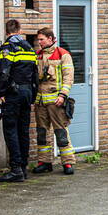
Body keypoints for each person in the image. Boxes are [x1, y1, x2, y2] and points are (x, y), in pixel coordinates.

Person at [0, 19, 38, 183]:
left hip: (13, 93)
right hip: (27, 92)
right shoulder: (29, 48)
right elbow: (35, 73)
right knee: (23, 130)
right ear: (19, 31)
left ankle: (16, 169)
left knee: (11, 130)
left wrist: (0, 91)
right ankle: (23, 168)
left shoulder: (7, 47)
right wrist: (33, 93)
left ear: (7, 32)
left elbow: (5, 72)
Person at [34, 27, 76, 175]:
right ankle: (44, 162)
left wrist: (63, 95)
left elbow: (68, 77)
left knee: (61, 132)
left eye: (41, 39)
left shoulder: (63, 55)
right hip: (40, 102)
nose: (39, 42)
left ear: (50, 39)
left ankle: (68, 163)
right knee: (42, 133)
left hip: (56, 102)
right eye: (38, 39)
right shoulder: (37, 56)